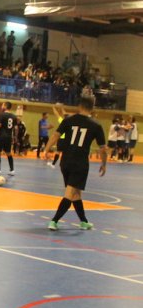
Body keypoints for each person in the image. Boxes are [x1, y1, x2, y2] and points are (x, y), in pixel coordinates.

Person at [44, 95, 107, 230]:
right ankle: (54, 221)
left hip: (65, 162)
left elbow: (55, 135)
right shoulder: (96, 125)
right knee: (70, 193)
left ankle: (84, 221)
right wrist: (104, 163)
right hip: (80, 163)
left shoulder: (68, 120)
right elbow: (103, 148)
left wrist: (46, 150)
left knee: (76, 193)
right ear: (92, 108)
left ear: (80, 106)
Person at [0, 101, 17, 176]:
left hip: (1, 136)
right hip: (9, 137)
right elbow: (16, 128)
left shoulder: (1, 115)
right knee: (8, 153)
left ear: (5, 106)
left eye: (2, 105)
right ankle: (12, 170)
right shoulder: (14, 117)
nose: (1, 106)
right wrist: (15, 137)